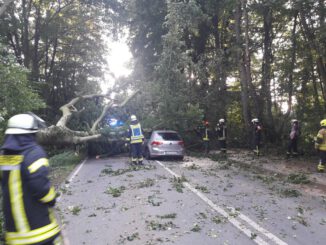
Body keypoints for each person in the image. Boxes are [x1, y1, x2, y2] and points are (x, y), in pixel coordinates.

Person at [0, 113, 62, 245]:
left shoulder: (4, 156)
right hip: (39, 231)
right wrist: (52, 198)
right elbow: (41, 187)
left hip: (14, 234)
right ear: (30, 133)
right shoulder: (34, 152)